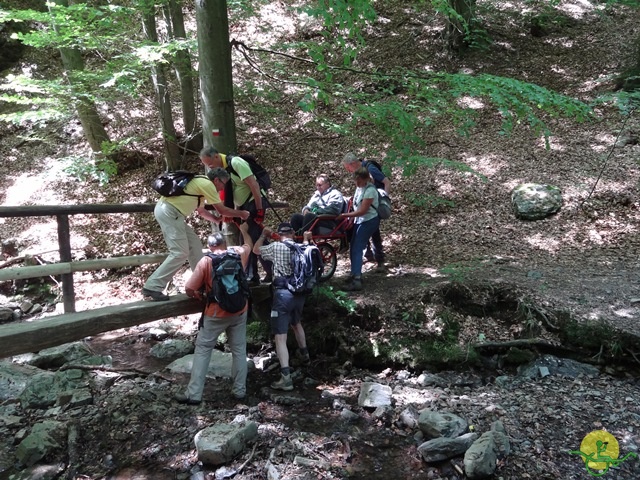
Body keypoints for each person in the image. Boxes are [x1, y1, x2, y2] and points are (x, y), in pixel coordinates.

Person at [174, 222, 253, 405]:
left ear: (210, 247)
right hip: (240, 309)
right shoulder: (238, 254)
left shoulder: (206, 261)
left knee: (203, 351)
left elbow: (189, 288)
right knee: (239, 350)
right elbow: (248, 245)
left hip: (215, 313)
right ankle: (240, 391)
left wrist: (200, 295)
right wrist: (244, 231)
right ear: (225, 244)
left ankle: (194, 395)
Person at [142, 167, 250, 301]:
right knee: (179, 252)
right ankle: (153, 287)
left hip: (174, 214)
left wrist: (215, 219)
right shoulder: (206, 184)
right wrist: (241, 214)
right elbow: (222, 209)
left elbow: (201, 211)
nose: (223, 188)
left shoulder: (200, 184)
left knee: (195, 246)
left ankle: (203, 283)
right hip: (170, 213)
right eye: (223, 183)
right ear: (216, 180)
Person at [253, 223, 312, 391]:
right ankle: (306, 359)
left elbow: (256, 250)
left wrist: (263, 235)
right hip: (299, 294)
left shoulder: (276, 246)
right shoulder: (301, 246)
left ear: (278, 235)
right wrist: (307, 239)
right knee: (296, 323)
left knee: (280, 336)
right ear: (293, 233)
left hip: (282, 295)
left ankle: (286, 378)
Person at [200, 147, 272, 285]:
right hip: (244, 205)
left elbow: (254, 185)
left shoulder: (236, 162)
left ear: (216, 156)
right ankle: (271, 270)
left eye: (209, 164)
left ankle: (252, 276)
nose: (209, 167)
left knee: (247, 237)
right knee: (256, 237)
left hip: (254, 203)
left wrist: (259, 209)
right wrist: (233, 210)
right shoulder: (224, 169)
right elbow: (235, 191)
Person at [342, 152, 390, 271]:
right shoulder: (360, 177)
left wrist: (383, 199)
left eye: (348, 168)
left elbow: (386, 182)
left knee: (374, 232)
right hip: (366, 209)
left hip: (373, 207)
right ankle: (368, 255)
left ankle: (380, 260)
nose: (348, 171)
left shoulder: (370, 169)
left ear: (353, 164)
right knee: (364, 230)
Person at [336, 167, 380, 291]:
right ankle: (354, 273)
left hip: (369, 220)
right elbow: (355, 205)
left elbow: (362, 211)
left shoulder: (370, 190)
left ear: (361, 179)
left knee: (357, 247)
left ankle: (357, 280)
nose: (355, 183)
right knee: (354, 246)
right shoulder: (359, 188)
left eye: (356, 180)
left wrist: (345, 216)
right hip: (360, 220)